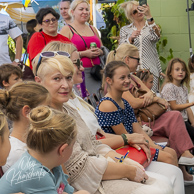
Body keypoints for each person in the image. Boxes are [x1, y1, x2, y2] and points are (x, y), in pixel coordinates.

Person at [40, 41, 185, 194]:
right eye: (57, 78)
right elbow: (80, 165)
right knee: (163, 182)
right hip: (94, 175)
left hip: (107, 157)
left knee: (170, 173)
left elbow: (94, 142)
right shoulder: (56, 115)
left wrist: (125, 157)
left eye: (68, 77)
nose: (65, 84)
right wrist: (126, 167)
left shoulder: (71, 107)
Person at [108, 44, 194, 185]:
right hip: (142, 122)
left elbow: (151, 93)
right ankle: (183, 171)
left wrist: (151, 97)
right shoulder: (118, 87)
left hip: (145, 119)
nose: (139, 62)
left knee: (175, 118)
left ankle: (184, 163)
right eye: (137, 59)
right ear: (127, 59)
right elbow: (134, 104)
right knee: (176, 120)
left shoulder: (133, 79)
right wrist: (151, 98)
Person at [0, 105, 89, 194]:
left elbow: (67, 190)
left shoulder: (53, 164)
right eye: (73, 144)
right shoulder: (35, 174)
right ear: (63, 150)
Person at [161, 58, 194, 179]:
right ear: (170, 73)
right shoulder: (169, 87)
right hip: (176, 122)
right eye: (177, 69)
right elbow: (174, 107)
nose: (181, 72)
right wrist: (193, 103)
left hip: (185, 120)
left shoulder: (183, 88)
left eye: (183, 70)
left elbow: (188, 109)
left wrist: (193, 123)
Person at [0, 82, 50, 173]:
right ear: (27, 112)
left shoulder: (34, 141)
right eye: (46, 109)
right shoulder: (17, 153)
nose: (51, 114)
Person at [59, 0, 104, 94]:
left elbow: (102, 48)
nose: (85, 12)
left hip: (97, 71)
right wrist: (84, 54)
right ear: (72, 12)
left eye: (87, 9)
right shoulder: (67, 29)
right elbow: (62, 54)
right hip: (79, 73)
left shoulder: (93, 28)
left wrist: (99, 52)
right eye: (81, 9)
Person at [119, 0, 162, 92]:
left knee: (151, 97)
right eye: (135, 12)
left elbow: (157, 37)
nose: (139, 12)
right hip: (133, 72)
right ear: (131, 15)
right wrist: (130, 39)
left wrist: (149, 15)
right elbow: (121, 50)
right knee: (136, 98)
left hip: (150, 71)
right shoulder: (125, 30)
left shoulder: (150, 26)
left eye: (139, 9)